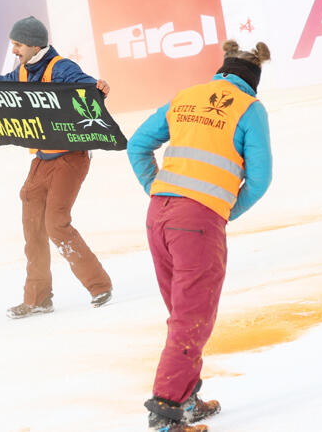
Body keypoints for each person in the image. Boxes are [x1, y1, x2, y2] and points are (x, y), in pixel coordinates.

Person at [126, 40, 272, 431]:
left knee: (182, 313)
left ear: (221, 72)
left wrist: (157, 189)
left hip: (158, 215)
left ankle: (186, 399)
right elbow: (260, 180)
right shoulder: (249, 108)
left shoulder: (186, 97)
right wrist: (221, 210)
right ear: (253, 81)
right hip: (198, 222)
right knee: (192, 317)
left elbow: (137, 144)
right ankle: (167, 411)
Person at [0, 16, 114, 319]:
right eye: (13, 44)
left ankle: (99, 285)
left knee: (55, 224)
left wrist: (99, 87)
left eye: (18, 44)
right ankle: (38, 299)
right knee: (32, 224)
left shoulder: (60, 68)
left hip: (70, 159)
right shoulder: (23, 70)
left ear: (34, 44)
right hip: (42, 159)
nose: (14, 50)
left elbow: (88, 86)